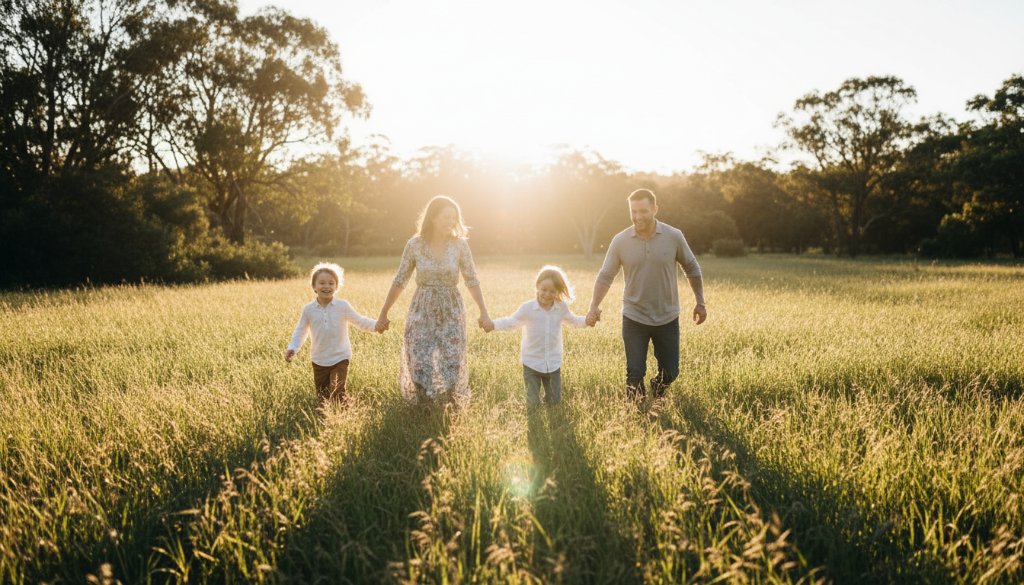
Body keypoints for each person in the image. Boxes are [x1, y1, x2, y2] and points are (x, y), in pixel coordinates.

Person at [586, 189, 706, 399]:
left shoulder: (673, 236)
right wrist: (594, 305)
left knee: (671, 372)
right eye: (633, 211)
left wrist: (700, 302)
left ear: (655, 209)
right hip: (634, 317)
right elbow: (605, 276)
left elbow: (692, 268)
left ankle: (658, 391)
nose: (638, 216)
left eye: (643, 211)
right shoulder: (620, 240)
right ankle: (635, 417)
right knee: (634, 373)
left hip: (667, 316)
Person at [375, 195, 492, 405]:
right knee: (419, 357)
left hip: (451, 307)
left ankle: (449, 404)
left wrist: (483, 311)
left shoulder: (460, 246)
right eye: (446, 217)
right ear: (433, 218)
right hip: (422, 307)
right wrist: (384, 312)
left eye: (454, 218)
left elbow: (472, 279)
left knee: (452, 358)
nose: (451, 222)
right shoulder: (414, 245)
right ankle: (424, 404)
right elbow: (400, 279)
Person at [490, 265, 592, 409]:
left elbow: (574, 321)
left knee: (554, 403)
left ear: (558, 292)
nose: (547, 294)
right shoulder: (527, 308)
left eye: (552, 291)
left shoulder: (561, 308)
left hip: (553, 363)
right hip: (532, 363)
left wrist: (588, 320)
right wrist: (492, 325)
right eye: (544, 289)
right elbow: (510, 322)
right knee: (532, 404)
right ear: (537, 286)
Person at [285, 262, 378, 408]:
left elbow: (360, 321)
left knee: (337, 392)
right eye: (322, 283)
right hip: (319, 359)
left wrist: (376, 326)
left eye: (331, 283)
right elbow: (300, 331)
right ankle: (331, 416)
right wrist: (292, 348)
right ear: (314, 286)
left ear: (336, 286)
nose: (326, 286)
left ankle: (345, 416)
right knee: (323, 397)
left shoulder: (342, 306)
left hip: (340, 357)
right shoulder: (308, 310)